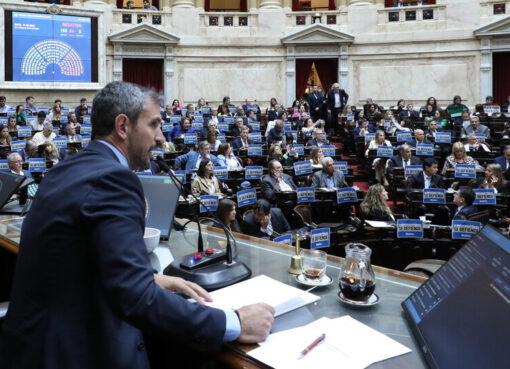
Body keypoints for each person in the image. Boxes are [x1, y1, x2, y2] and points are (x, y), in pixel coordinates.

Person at [0, 81, 274, 369]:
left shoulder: (65, 170)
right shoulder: (114, 179)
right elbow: (136, 299)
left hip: (30, 347)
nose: (160, 137)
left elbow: (76, 259)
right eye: (154, 124)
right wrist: (234, 322)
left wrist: (149, 279)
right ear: (122, 126)